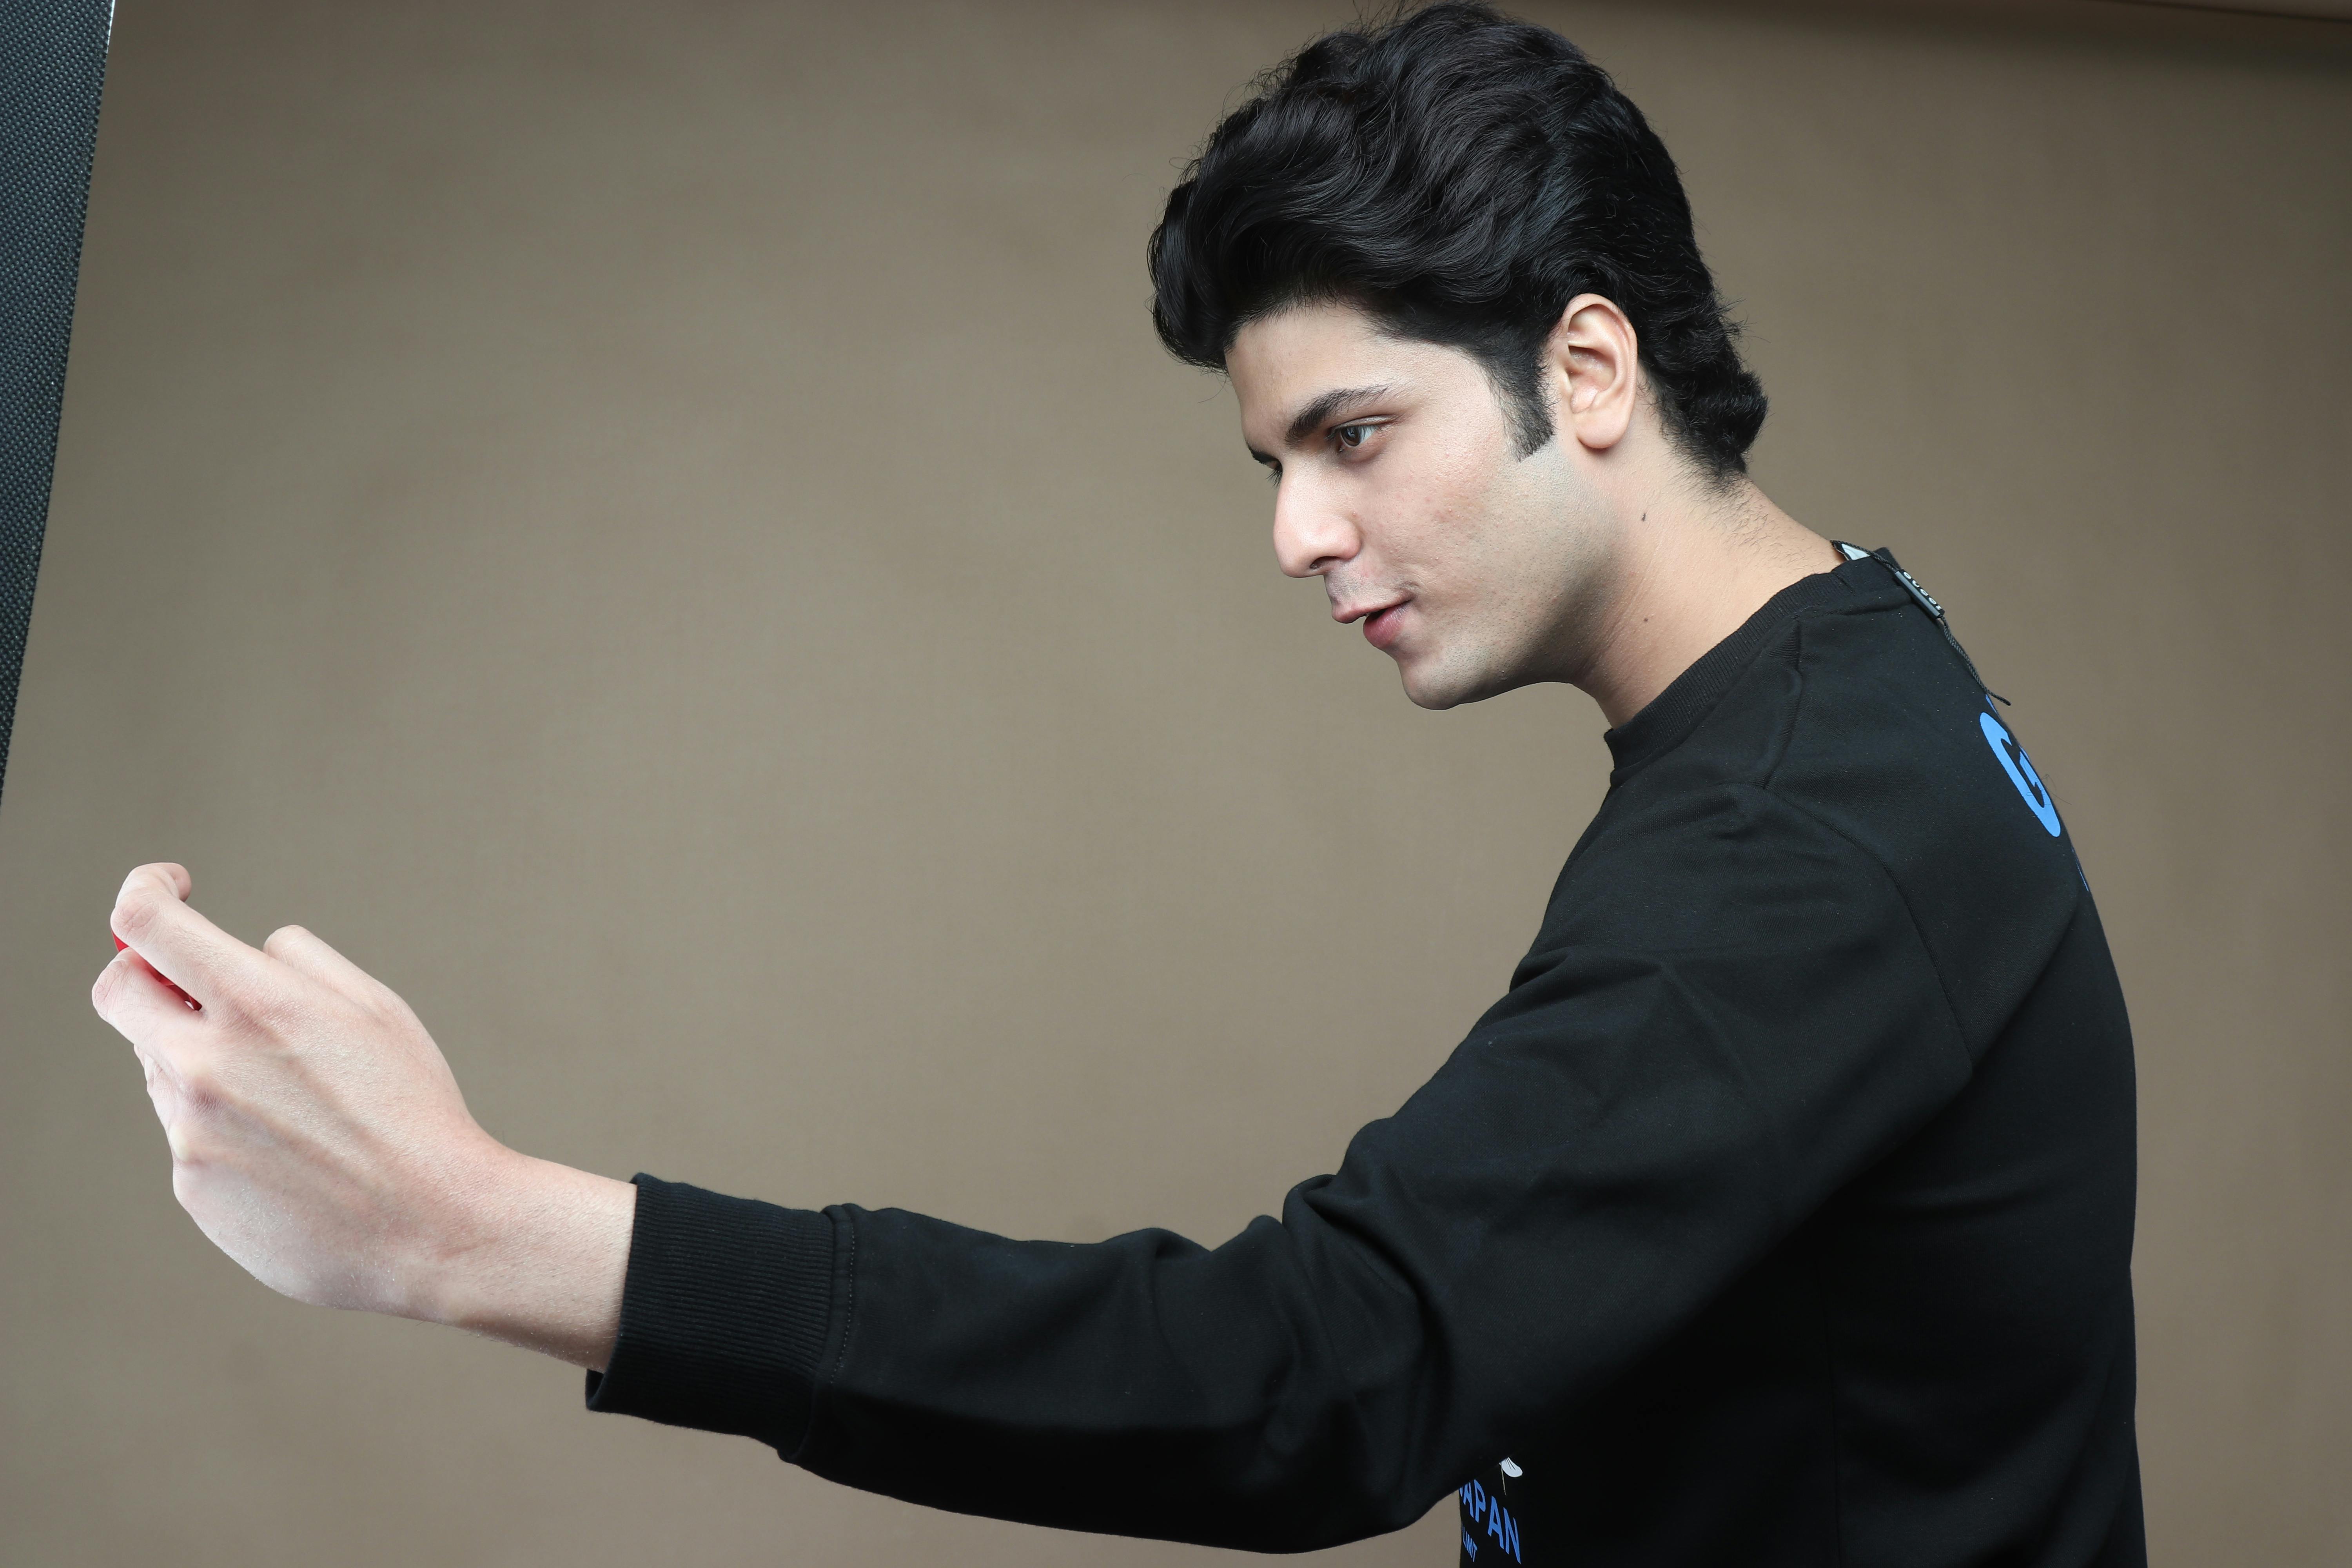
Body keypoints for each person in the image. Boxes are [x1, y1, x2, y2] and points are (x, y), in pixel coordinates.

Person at [90, 5, 2141, 1564]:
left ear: (1587, 372)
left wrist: (473, 1228)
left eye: (1354, 434)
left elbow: (1323, 1375)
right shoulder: (1859, 667)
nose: (1298, 535)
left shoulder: (1798, 835)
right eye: (1276, 468)